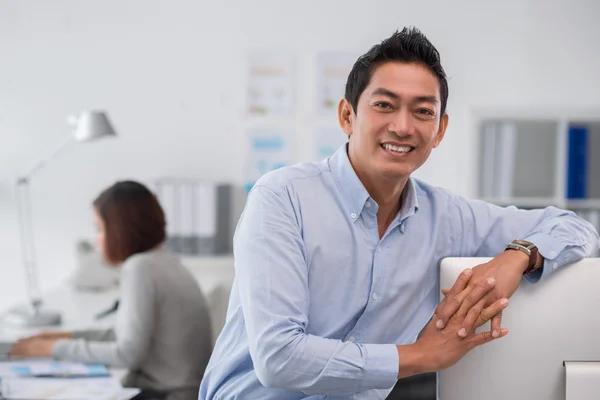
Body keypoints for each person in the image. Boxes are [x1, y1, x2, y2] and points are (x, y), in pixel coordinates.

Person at [198, 27, 600, 400]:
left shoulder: (448, 217)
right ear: (347, 116)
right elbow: (279, 358)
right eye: (384, 105)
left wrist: (517, 255)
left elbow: (576, 227)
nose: (403, 126)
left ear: (440, 130)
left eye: (423, 112)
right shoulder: (283, 197)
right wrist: (423, 355)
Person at [10, 181, 213, 400]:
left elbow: (127, 354)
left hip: (167, 395)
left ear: (119, 229)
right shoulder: (166, 261)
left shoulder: (141, 268)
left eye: (99, 228)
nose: (96, 241)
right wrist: (65, 336)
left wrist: (54, 349)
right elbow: (128, 334)